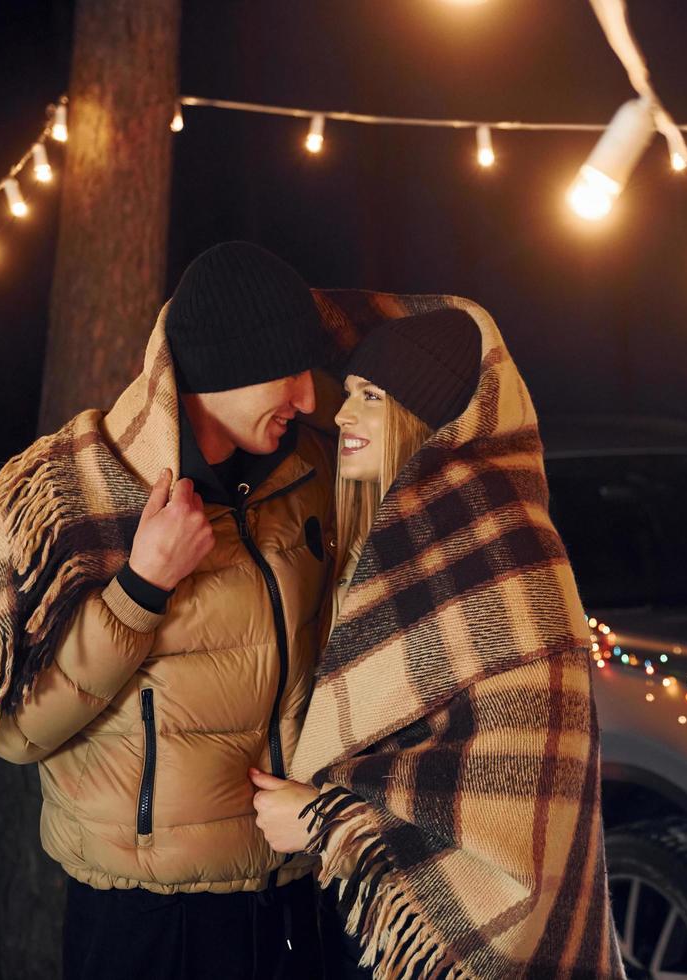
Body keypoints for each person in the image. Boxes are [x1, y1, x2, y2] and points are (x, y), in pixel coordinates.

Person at [0, 242, 339, 978]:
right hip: (149, 921)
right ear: (224, 369)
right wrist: (143, 586)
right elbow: (13, 732)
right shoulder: (80, 493)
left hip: (292, 897)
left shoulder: (313, 474)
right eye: (290, 371)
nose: (310, 398)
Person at [249, 295, 627, 980]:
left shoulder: (506, 553)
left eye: (368, 396)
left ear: (415, 419)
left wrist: (325, 824)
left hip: (429, 944)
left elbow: (519, 824)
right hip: (364, 926)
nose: (341, 415)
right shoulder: (382, 551)